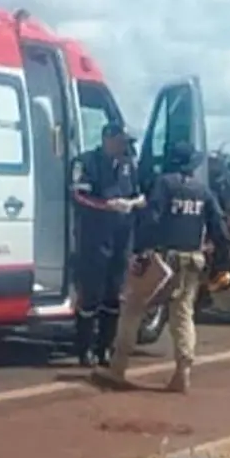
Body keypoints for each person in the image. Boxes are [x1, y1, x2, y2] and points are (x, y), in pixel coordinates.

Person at [108, 139, 230, 393]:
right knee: (182, 314)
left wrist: (139, 251)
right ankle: (182, 372)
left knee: (133, 308)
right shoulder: (202, 191)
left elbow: (151, 219)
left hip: (162, 259)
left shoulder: (163, 184)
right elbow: (219, 229)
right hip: (192, 260)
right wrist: (222, 263)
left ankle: (118, 367)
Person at [70, 120, 143, 367]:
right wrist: (106, 206)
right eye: (121, 142)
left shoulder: (128, 166)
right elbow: (78, 195)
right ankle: (84, 349)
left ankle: (105, 348)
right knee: (90, 295)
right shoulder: (86, 162)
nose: (125, 147)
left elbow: (138, 194)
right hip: (94, 237)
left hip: (121, 237)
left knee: (114, 295)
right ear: (108, 139)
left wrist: (133, 204)